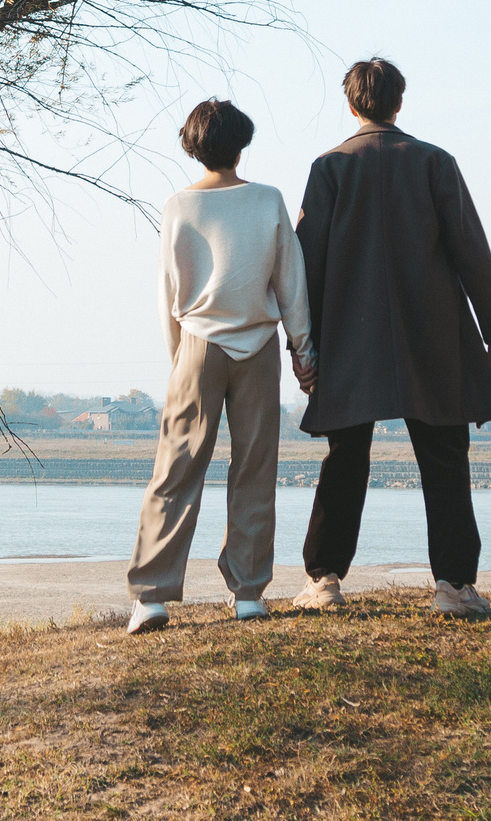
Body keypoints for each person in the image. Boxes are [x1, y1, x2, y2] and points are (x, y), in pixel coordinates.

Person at [289, 57, 491, 617]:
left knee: (346, 457)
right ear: (399, 103)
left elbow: (305, 265)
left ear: (351, 104)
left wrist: (303, 347)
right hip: (433, 330)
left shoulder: (329, 166)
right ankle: (454, 588)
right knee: (444, 455)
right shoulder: (435, 161)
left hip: (348, 336)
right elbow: (471, 251)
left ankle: (325, 581)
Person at [123, 98, 314, 633]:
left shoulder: (178, 206)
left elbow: (168, 292)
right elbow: (290, 282)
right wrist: (304, 349)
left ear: (193, 145)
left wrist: (178, 358)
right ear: (242, 143)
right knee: (255, 470)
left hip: (197, 345)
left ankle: (152, 596)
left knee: (176, 469)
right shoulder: (269, 200)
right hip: (258, 346)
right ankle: (249, 592)